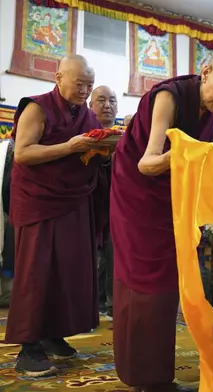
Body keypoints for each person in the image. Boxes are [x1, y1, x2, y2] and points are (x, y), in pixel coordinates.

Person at [110, 52, 213, 392]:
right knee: (147, 287)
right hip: (138, 200)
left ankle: (150, 376)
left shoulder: (206, 106)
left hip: (167, 201)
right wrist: (195, 153)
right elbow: (148, 162)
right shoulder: (168, 97)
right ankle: (148, 380)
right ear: (206, 72)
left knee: (164, 287)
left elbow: (194, 158)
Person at [5, 54, 105, 377]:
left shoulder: (87, 115)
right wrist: (69, 147)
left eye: (89, 84)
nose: (85, 90)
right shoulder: (36, 107)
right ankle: (28, 347)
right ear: (59, 77)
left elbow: (88, 153)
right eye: (79, 83)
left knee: (68, 271)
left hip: (73, 200)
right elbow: (22, 152)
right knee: (37, 272)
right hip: (39, 200)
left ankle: (52, 333)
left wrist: (105, 149)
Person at [88, 85, 118, 319]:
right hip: (87, 205)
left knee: (113, 256)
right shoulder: (82, 133)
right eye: (101, 100)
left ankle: (111, 305)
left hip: (116, 208)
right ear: (90, 105)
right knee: (88, 259)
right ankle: (88, 306)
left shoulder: (126, 137)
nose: (107, 105)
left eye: (112, 100)